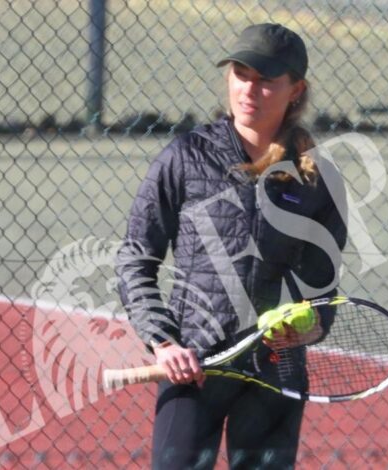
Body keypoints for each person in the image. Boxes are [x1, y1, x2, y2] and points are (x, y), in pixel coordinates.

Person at [116, 23, 347, 469]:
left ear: (295, 89)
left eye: (266, 80)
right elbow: (136, 258)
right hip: (194, 363)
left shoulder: (320, 178)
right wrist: (164, 342)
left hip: (275, 369)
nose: (249, 89)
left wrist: (311, 325)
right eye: (241, 74)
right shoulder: (185, 157)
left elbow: (322, 286)